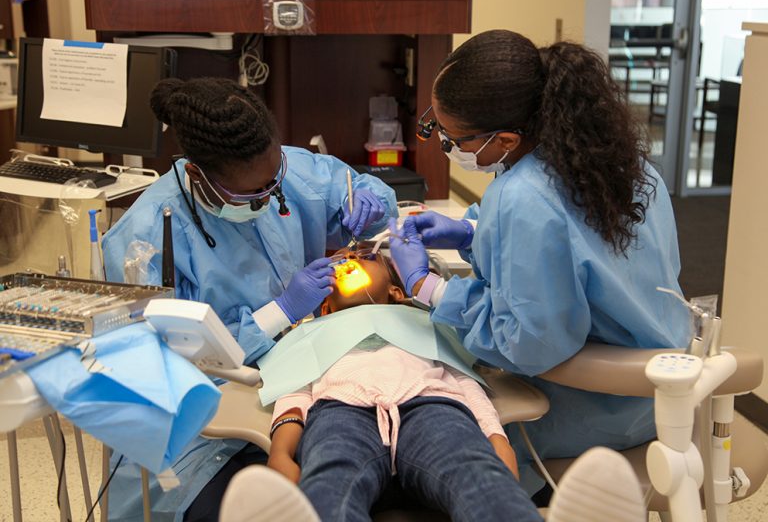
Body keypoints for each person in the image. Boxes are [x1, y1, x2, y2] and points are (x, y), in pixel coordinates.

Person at [387, 29, 691, 497]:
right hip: (665, 400)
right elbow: (580, 251)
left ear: (506, 137)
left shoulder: (523, 198)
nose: (445, 143)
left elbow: (529, 344)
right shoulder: (621, 163)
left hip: (589, 411)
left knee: (427, 445)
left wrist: (427, 287)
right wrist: (473, 231)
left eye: (450, 137)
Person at [101, 77, 397, 521]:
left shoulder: (291, 170)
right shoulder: (144, 242)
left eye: (274, 183)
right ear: (197, 175)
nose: (271, 197)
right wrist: (277, 315)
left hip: (301, 395)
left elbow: (367, 192)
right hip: (201, 435)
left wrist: (372, 202)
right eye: (253, 193)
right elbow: (154, 371)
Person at [259, 252, 542, 521]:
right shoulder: (312, 334)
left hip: (430, 405)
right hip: (341, 411)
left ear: (395, 293)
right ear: (324, 307)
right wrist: (280, 454)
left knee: (481, 478)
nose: (352, 260)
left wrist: (496, 438)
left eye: (367, 257)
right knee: (325, 490)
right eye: (341, 261)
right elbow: (294, 392)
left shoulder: (424, 324)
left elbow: (464, 381)